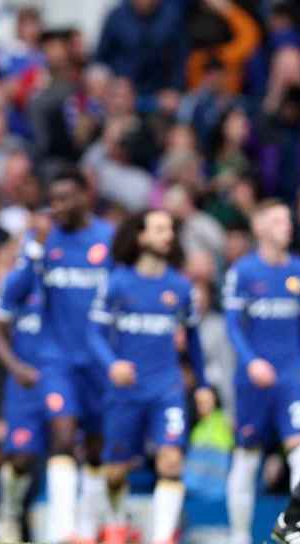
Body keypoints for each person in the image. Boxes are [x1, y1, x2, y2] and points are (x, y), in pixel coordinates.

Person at [2, 168, 115, 543]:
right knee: (63, 436)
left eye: (66, 198)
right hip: (57, 358)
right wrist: (34, 248)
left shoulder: (108, 240)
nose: (58, 207)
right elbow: (12, 294)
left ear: (86, 195)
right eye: (54, 199)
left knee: (97, 447)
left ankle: (86, 528)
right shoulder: (44, 240)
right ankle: (63, 531)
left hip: (99, 359)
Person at [87, 209, 211, 544]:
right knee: (114, 472)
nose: (167, 235)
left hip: (166, 387)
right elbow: (94, 334)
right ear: (141, 237)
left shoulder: (181, 288)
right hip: (125, 390)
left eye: (170, 229)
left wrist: (202, 385)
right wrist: (112, 364)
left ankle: (161, 537)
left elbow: (194, 342)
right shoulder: (117, 283)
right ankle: (116, 523)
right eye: (159, 229)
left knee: (171, 461)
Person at [223, 199, 300, 544]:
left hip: (292, 375)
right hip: (252, 377)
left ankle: (299, 528)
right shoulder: (242, 271)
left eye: (288, 221)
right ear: (259, 227)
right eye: (277, 220)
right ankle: (239, 536)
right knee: (247, 455)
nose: (286, 226)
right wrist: (251, 361)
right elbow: (232, 325)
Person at [0, 238, 49, 543]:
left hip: (63, 377)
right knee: (20, 455)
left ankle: (86, 523)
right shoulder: (17, 289)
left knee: (78, 447)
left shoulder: (66, 287)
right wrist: (16, 368)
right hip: (25, 381)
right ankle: (9, 514)